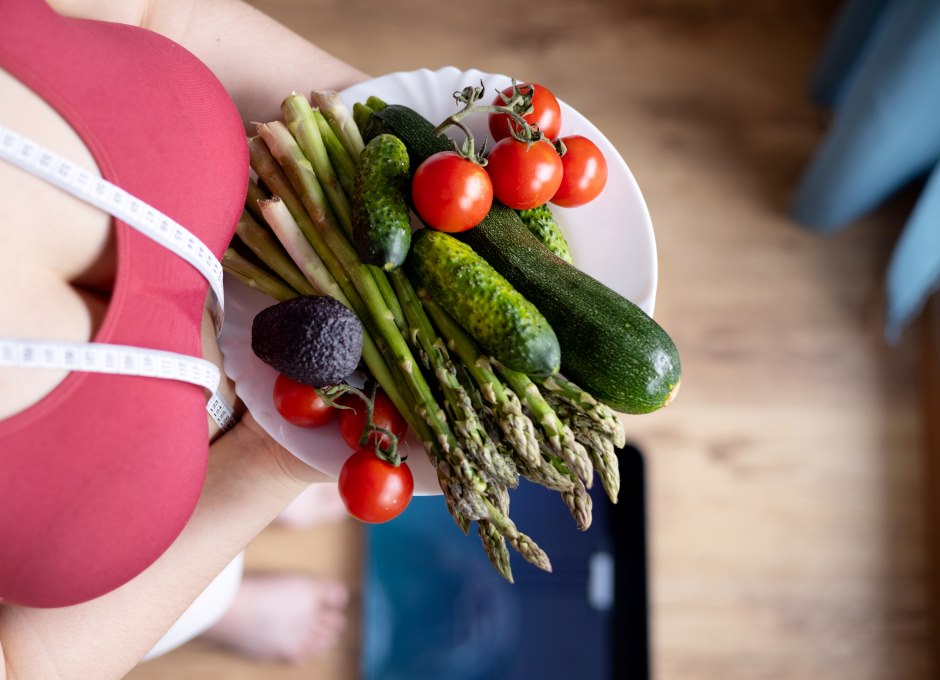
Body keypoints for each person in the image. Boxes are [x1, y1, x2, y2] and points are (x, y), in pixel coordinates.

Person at [0, 0, 369, 675]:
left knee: (131, 535)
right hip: (159, 525)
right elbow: (23, 662)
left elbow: (160, 10)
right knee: (188, 585)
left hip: (180, 467)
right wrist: (270, 463)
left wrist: (368, 136)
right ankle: (221, 607)